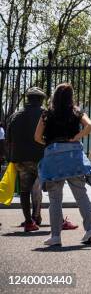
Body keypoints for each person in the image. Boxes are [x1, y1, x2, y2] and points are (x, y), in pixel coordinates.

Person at [34, 83, 91, 246]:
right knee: (81, 194)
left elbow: (36, 137)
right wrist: (77, 137)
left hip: (53, 156)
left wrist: (48, 143)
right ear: (71, 97)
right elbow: (90, 125)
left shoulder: (47, 114)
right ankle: (90, 230)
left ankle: (56, 236)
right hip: (73, 155)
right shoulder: (76, 111)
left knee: (55, 198)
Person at [6, 87, 46, 231]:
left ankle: (28, 221)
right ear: (41, 100)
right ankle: (37, 216)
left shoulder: (15, 115)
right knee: (37, 188)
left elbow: (9, 139)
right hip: (40, 158)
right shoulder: (45, 114)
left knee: (24, 190)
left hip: (20, 158)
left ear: (27, 99)